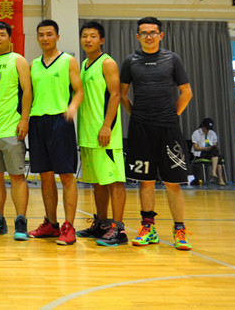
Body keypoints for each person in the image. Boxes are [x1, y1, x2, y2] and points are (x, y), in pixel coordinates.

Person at [120, 16, 193, 251]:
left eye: (153, 32)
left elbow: (186, 92)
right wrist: (137, 115)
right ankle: (148, 228)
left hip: (168, 128)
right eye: (144, 33)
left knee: (173, 183)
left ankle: (179, 230)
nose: (149, 36)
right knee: (146, 182)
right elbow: (122, 95)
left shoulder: (172, 59)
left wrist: (172, 115)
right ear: (137, 36)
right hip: (140, 128)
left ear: (161, 35)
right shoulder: (130, 61)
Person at [27, 19, 84, 245]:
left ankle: (69, 226)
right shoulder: (33, 65)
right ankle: (51, 224)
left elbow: (79, 91)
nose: (45, 38)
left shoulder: (68, 61)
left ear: (57, 37)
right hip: (37, 121)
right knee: (45, 175)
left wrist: (72, 107)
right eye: (41, 34)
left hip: (61, 121)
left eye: (49, 34)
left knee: (67, 175)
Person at [0, 21, 33, 241]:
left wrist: (24, 119)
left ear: (9, 38)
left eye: (2, 34)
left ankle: (21, 221)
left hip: (11, 128)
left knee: (17, 176)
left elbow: (27, 91)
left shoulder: (17, 60)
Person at [75, 22, 127, 247]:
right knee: (98, 182)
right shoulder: (84, 64)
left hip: (105, 134)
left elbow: (116, 95)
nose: (88, 40)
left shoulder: (107, 63)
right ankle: (102, 223)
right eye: (85, 36)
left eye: (93, 36)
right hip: (89, 134)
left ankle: (118, 228)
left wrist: (107, 126)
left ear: (101, 40)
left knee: (114, 181)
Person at [191, 118, 226, 186]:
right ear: (203, 126)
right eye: (206, 128)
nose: (207, 130)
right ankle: (220, 179)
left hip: (211, 153)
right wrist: (206, 148)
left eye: (209, 129)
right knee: (218, 157)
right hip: (200, 152)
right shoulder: (196, 133)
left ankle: (214, 173)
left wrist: (212, 147)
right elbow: (196, 147)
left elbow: (215, 144)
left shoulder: (212, 133)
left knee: (215, 151)